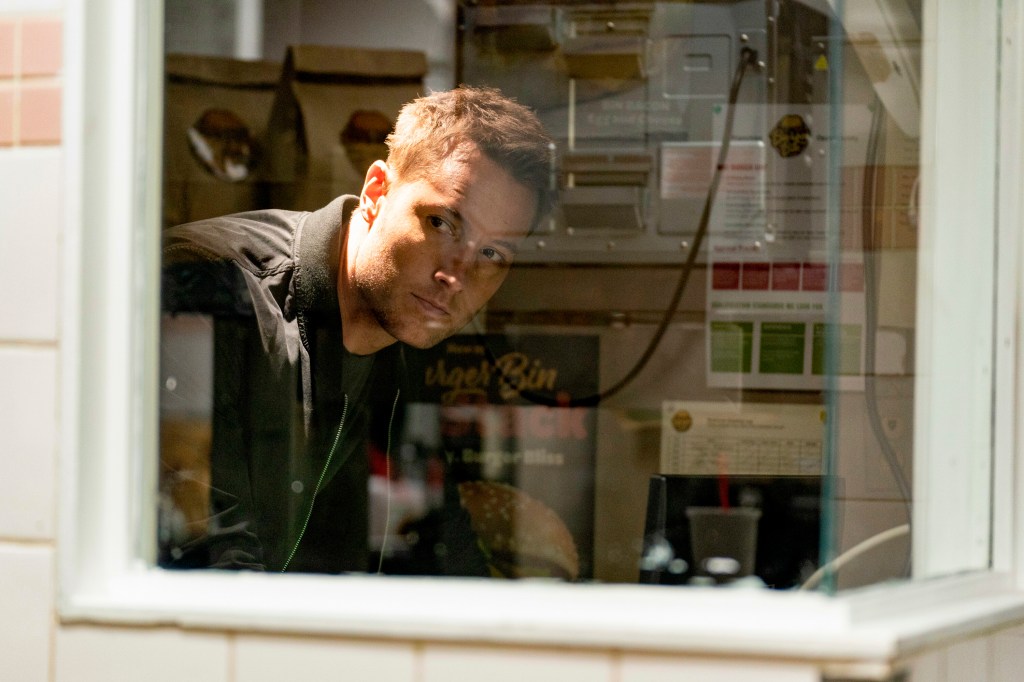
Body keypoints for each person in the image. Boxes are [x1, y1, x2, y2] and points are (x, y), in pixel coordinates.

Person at [159, 86, 554, 574]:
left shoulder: (418, 340)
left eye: (492, 254)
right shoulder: (210, 286)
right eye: (442, 223)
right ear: (375, 194)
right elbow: (194, 559)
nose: (456, 276)